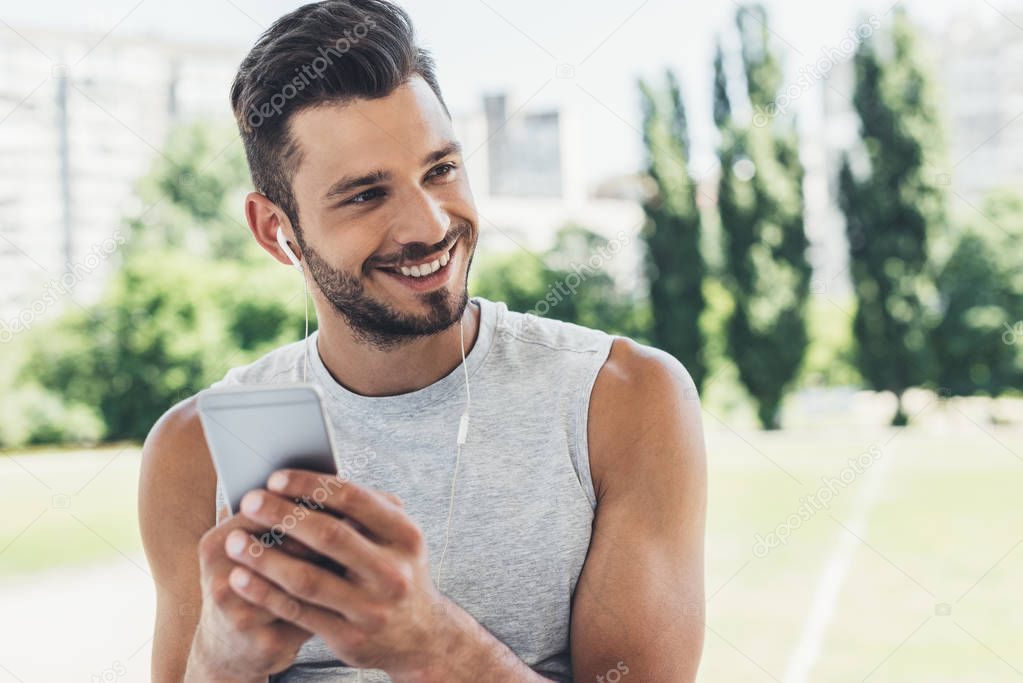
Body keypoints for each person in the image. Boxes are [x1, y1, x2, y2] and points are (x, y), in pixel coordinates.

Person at [138, 1, 707, 681]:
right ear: (274, 230)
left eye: (440, 170)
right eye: (364, 195)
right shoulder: (191, 451)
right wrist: (220, 660)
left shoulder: (623, 400)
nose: (429, 224)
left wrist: (431, 644)